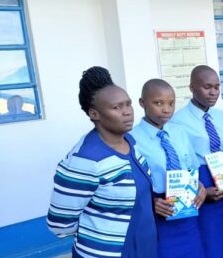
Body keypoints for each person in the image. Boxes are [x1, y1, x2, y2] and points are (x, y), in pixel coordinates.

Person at [47, 66, 158, 258]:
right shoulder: (86, 161)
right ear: (94, 114)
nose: (127, 112)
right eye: (116, 107)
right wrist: (100, 228)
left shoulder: (130, 142)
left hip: (144, 247)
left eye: (128, 104)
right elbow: (59, 224)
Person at [171, 65, 223, 258]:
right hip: (202, 184)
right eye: (207, 87)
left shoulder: (222, 116)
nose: (213, 92)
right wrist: (202, 191)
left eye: (217, 87)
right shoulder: (177, 121)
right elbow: (179, 163)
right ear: (192, 87)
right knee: (212, 241)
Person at [130, 79, 206, 258]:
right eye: (158, 103)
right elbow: (131, 184)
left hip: (186, 209)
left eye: (171, 103)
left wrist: (200, 186)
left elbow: (191, 167)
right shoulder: (132, 139)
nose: (166, 109)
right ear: (142, 103)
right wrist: (150, 203)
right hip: (157, 211)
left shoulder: (178, 132)